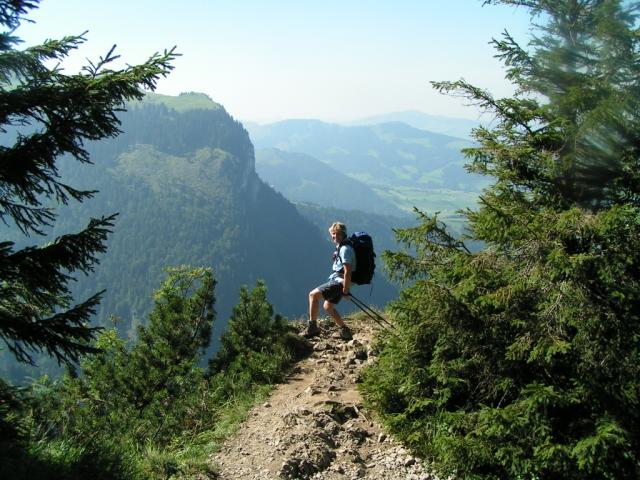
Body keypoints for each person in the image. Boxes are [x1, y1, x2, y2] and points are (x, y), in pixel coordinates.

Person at [305, 222, 355, 340]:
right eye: (333, 234)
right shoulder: (343, 247)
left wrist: (345, 290)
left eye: (337, 234)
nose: (334, 236)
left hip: (339, 282)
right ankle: (345, 331)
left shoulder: (345, 249)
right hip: (339, 281)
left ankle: (312, 328)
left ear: (343, 234)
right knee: (328, 306)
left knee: (313, 295)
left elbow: (347, 271)